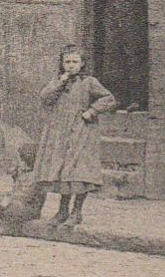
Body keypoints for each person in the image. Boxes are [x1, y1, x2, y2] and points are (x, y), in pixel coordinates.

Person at [33, 45, 118, 228]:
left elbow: (109, 99)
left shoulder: (89, 82)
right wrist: (60, 82)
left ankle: (77, 212)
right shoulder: (58, 82)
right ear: (62, 64)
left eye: (75, 62)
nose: (71, 65)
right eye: (67, 62)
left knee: (79, 172)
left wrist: (92, 111)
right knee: (64, 171)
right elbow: (45, 98)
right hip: (61, 133)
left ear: (82, 64)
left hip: (82, 132)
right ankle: (62, 211)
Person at [0, 142, 45, 234]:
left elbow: (25, 195)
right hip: (20, 202)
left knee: (11, 206)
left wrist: (8, 199)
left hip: (29, 208)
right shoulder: (24, 175)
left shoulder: (33, 176)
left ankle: (7, 227)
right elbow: (15, 191)